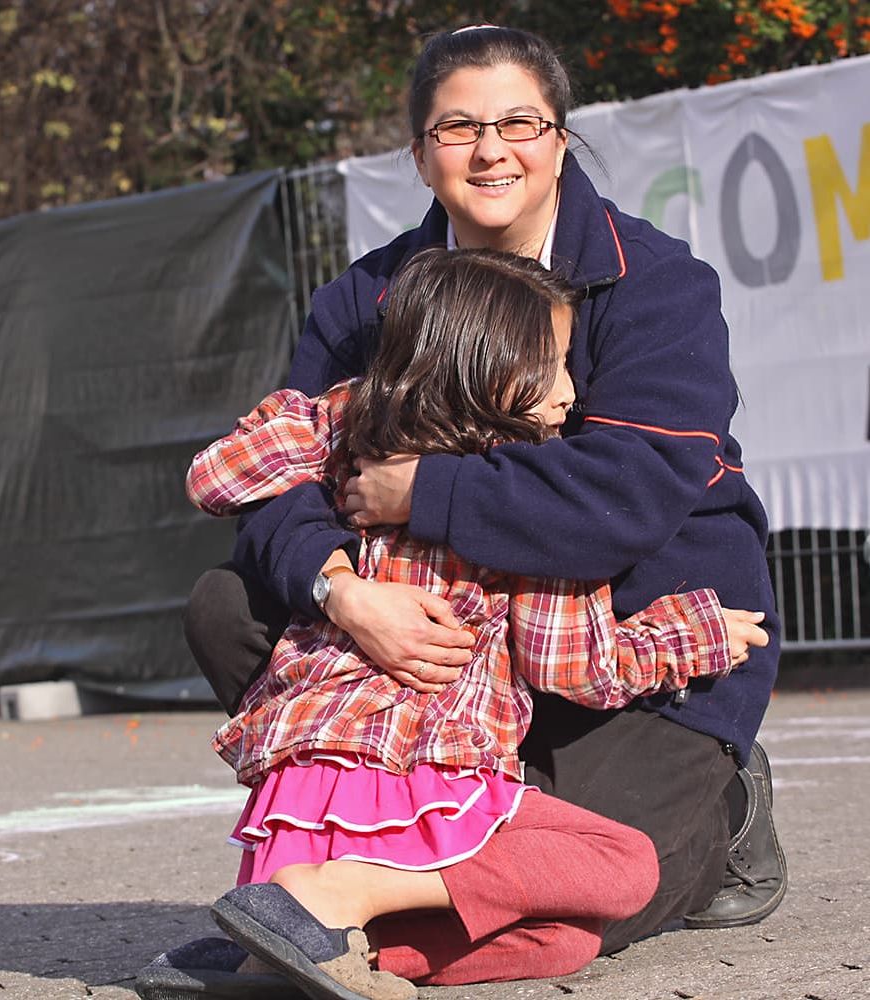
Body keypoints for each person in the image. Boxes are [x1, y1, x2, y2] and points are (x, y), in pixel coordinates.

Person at [143, 22, 784, 1000]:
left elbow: (622, 501)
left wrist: (415, 489)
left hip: (616, 634)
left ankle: (719, 810)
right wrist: (346, 592)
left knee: (601, 897)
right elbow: (269, 481)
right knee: (226, 602)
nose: (492, 149)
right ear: (418, 152)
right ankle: (328, 891)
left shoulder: (658, 286)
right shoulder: (364, 299)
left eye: (520, 121)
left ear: (561, 137)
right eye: (458, 126)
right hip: (435, 655)